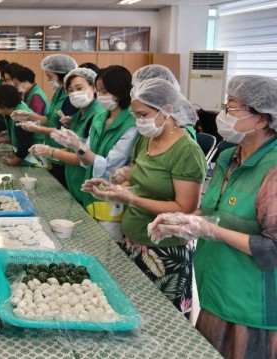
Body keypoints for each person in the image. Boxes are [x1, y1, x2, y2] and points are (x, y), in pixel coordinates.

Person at [148, 75, 277, 358]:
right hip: (215, 289)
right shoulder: (228, 156)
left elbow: (271, 249)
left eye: (233, 108)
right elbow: (212, 210)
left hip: (252, 306)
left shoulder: (273, 169)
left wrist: (209, 230)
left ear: (262, 119)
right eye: (225, 106)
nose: (223, 115)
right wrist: (181, 221)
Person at [83, 77, 206, 317]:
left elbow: (185, 209)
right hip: (134, 241)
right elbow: (137, 179)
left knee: (160, 321)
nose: (139, 121)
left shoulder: (186, 151)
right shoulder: (146, 138)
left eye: (144, 114)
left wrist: (131, 199)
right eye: (135, 115)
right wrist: (113, 189)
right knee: (130, 312)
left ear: (167, 111)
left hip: (164, 252)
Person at [51, 66, 138, 242]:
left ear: (120, 90)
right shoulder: (101, 117)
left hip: (113, 196)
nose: (100, 96)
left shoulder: (132, 122)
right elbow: (86, 159)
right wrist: (74, 145)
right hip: (90, 192)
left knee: (108, 247)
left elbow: (110, 166)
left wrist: (79, 147)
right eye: (99, 91)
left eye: (105, 91)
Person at [29, 67, 106, 204]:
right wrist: (48, 150)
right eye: (70, 90)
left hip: (88, 188)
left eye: (79, 88)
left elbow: (82, 158)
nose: (75, 93)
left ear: (94, 88)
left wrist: (52, 152)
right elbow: (73, 149)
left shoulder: (97, 116)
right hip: (74, 183)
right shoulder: (77, 116)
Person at [12, 54, 77, 188]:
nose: (48, 80)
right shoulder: (58, 93)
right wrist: (29, 116)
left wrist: (36, 129)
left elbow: (64, 131)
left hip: (64, 152)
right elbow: (48, 119)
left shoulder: (71, 98)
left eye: (50, 77)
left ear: (63, 75)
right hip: (53, 149)